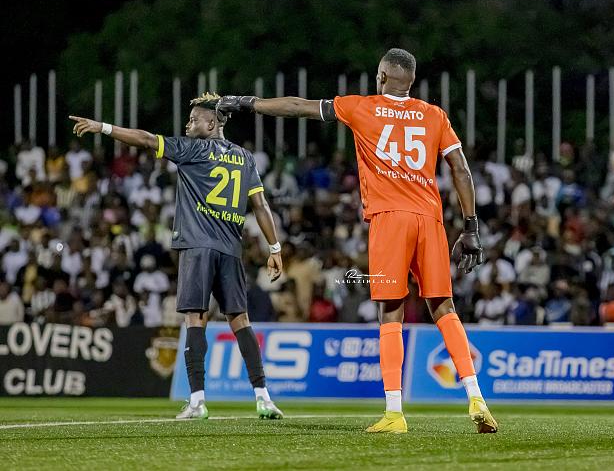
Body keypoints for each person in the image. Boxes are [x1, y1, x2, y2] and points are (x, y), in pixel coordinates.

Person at [218, 48, 498, 433]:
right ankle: (476, 396)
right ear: (411, 81)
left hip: (389, 220)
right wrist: (470, 227)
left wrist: (248, 102)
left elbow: (299, 106)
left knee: (391, 312)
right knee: (444, 307)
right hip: (430, 220)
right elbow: (461, 170)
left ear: (381, 77)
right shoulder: (434, 115)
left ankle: (394, 413)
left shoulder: (361, 107)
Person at [70, 92, 285, 420]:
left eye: (194, 120)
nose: (188, 125)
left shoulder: (191, 150)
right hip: (230, 250)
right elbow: (261, 205)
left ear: (211, 124)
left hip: (197, 247)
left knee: (195, 320)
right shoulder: (245, 157)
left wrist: (103, 127)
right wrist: (275, 248)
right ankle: (264, 397)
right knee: (240, 321)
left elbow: (144, 139)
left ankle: (197, 401)